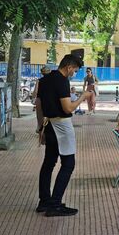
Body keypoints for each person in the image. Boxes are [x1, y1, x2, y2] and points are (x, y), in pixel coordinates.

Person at [35, 54, 91, 217]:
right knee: (68, 163)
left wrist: (40, 128)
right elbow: (67, 108)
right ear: (69, 67)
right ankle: (55, 204)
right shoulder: (62, 81)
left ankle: (44, 201)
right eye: (75, 70)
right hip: (61, 125)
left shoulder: (44, 80)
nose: (74, 73)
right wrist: (83, 96)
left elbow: (38, 105)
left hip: (48, 124)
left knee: (49, 163)